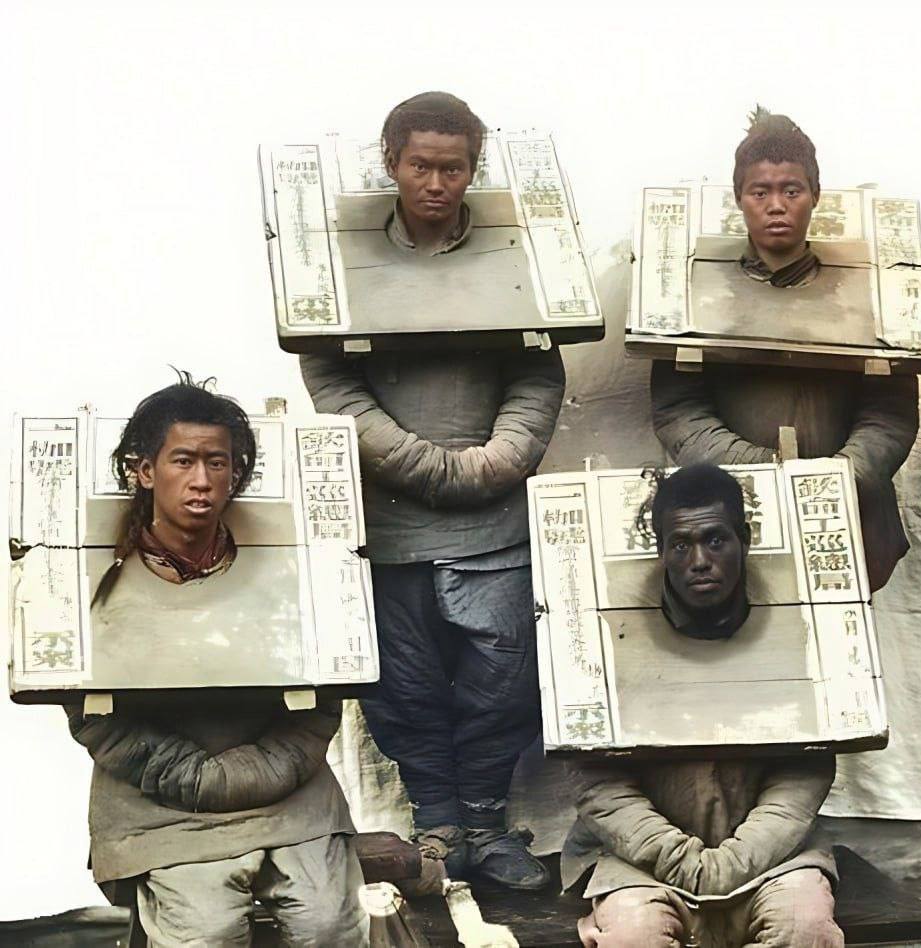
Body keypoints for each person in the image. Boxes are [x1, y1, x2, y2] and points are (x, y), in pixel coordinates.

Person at [301, 91, 565, 890]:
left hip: (495, 519)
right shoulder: (339, 263)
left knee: (503, 683)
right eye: (421, 165)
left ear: (472, 171)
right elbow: (330, 381)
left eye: (453, 169)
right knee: (404, 688)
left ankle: (486, 822)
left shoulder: (514, 258)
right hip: (392, 522)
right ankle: (439, 828)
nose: (437, 184)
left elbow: (538, 372)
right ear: (391, 163)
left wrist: (496, 461)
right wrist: (424, 465)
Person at [67, 376, 365, 946]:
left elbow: (326, 695)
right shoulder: (90, 575)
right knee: (206, 934)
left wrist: (260, 771)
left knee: (327, 925)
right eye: (183, 461)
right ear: (145, 471)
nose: (202, 480)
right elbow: (93, 716)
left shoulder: (293, 567)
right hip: (160, 797)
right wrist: (200, 779)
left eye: (217, 463)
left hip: (287, 788)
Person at [565, 464, 844, 948]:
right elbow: (598, 784)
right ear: (660, 553)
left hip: (771, 859)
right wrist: (684, 863)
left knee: (805, 929)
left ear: (745, 541)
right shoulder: (605, 643)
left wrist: (730, 864)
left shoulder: (802, 634)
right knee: (634, 937)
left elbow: (804, 772)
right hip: (642, 863)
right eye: (680, 545)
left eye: (716, 541)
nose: (699, 560)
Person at [649, 110, 918, 592]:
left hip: (849, 515)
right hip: (734, 519)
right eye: (761, 193)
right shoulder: (687, 296)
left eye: (791, 191)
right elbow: (679, 411)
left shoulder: (876, 297)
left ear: (815, 195)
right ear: (739, 198)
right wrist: (762, 470)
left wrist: (840, 474)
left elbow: (891, 411)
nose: (777, 206)